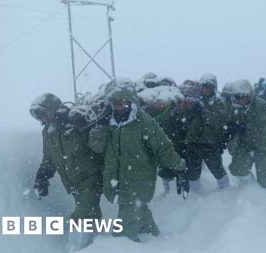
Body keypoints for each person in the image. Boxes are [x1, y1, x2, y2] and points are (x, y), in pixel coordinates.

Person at [100, 79, 189, 242]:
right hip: (119, 180)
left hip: (139, 181)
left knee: (123, 235)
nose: (119, 106)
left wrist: (180, 168)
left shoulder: (143, 121)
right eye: (115, 103)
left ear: (130, 101)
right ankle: (156, 241)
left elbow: (163, 147)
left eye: (123, 102)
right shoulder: (109, 123)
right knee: (140, 213)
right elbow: (98, 148)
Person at [30, 93, 103, 252]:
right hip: (73, 183)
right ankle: (98, 244)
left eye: (43, 115)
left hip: (91, 178)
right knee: (91, 213)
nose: (42, 121)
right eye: (38, 118)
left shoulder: (77, 123)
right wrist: (42, 176)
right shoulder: (48, 132)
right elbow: (49, 158)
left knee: (81, 216)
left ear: (53, 111)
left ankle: (75, 247)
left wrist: (87, 126)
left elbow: (99, 146)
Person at [227, 80, 266, 200]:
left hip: (264, 145)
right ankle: (252, 192)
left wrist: (242, 126)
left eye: (243, 96)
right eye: (237, 97)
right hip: (246, 145)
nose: (240, 100)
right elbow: (231, 125)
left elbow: (261, 127)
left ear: (249, 95)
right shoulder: (236, 108)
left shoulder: (260, 105)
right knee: (238, 168)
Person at [184, 73, 230, 192]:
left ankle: (226, 191)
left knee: (217, 169)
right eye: (203, 87)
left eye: (207, 87)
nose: (204, 90)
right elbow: (187, 121)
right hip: (193, 142)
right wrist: (187, 111)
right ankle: (194, 195)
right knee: (192, 172)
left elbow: (218, 120)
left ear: (213, 88)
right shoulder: (197, 101)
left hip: (210, 143)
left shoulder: (219, 102)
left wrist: (202, 110)